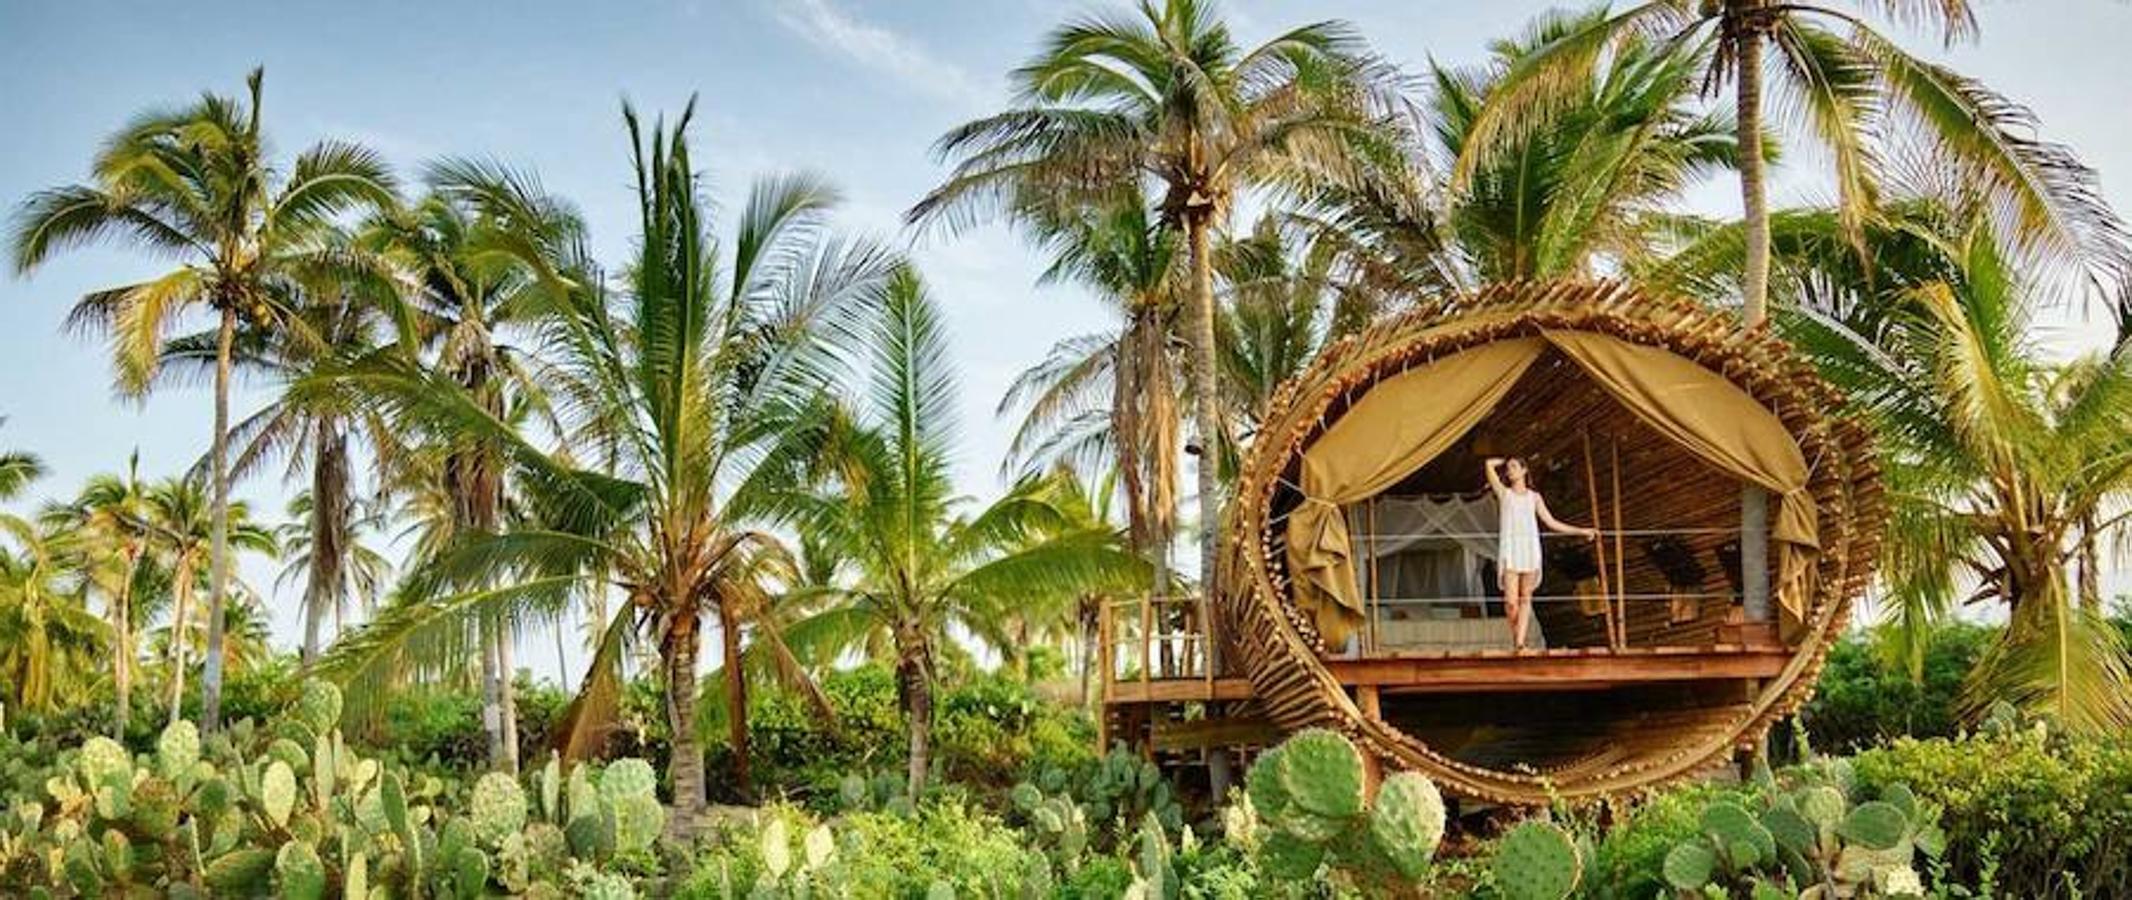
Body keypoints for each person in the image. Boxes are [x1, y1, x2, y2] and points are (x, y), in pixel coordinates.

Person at [1485, 457, 1600, 652]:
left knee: (1525, 597)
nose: (1509, 471)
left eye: (1514, 467)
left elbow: (1551, 522)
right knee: (1511, 604)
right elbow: (1488, 465)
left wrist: (1581, 531)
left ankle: (1519, 644)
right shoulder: (1505, 494)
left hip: (1529, 549)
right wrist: (1503, 459)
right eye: (1508, 468)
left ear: (1524, 471)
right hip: (1511, 550)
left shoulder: (1534, 497)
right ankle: (1519, 641)